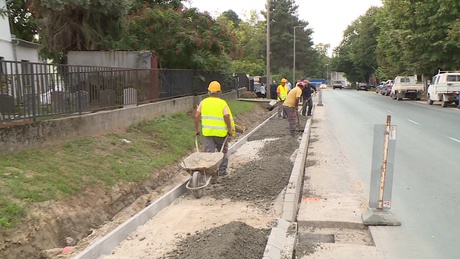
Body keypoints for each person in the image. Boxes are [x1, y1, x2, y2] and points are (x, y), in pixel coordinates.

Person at [194, 81, 235, 177]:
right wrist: (229, 129)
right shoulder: (222, 103)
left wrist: (196, 130)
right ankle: (222, 170)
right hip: (221, 133)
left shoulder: (203, 102)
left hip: (208, 133)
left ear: (209, 91)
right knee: (223, 152)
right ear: (219, 92)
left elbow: (196, 116)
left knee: (209, 154)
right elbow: (226, 116)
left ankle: (211, 173)